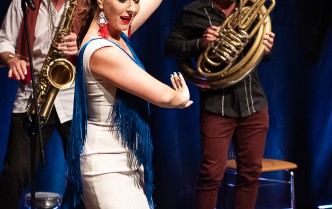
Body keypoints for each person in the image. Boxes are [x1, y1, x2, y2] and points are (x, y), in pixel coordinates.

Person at [62, 0, 193, 208]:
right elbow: (165, 96)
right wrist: (180, 97)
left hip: (126, 160)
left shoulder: (116, 33)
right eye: (123, 0)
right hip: (104, 167)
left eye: (136, 0)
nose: (132, 8)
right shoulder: (101, 50)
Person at [164, 0, 275, 209]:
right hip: (217, 105)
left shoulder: (252, 9)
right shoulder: (193, 12)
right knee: (210, 175)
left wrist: (266, 50)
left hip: (254, 103)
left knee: (250, 175)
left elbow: (260, 53)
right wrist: (200, 43)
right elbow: (170, 46)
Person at [0, 0, 80, 208]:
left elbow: (108, 37)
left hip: (74, 97)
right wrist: (12, 60)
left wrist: (83, 45)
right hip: (33, 94)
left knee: (85, 171)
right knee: (15, 172)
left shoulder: (87, 3)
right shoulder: (22, 2)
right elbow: (5, 41)